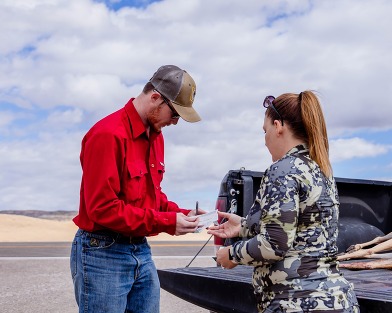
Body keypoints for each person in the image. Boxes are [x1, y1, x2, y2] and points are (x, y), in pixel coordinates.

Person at [208, 91, 359, 313]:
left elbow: (274, 245)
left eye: (265, 130)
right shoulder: (321, 170)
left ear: (278, 126)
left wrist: (231, 255)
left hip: (297, 302)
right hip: (336, 300)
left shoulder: (282, 170)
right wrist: (243, 226)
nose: (265, 139)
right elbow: (301, 229)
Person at [70, 65, 205, 313]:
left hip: (140, 250)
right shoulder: (107, 134)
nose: (175, 123)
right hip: (102, 253)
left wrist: (182, 214)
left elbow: (151, 196)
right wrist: (166, 222)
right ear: (155, 98)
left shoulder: (156, 136)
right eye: (175, 114)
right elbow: (103, 209)